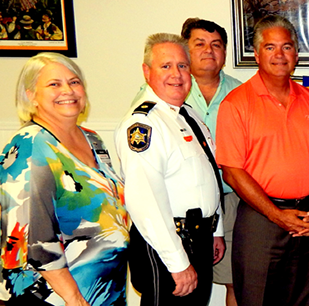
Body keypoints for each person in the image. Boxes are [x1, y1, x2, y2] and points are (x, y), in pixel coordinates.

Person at [0, 52, 129, 305]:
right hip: (55, 296)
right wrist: (74, 298)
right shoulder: (31, 146)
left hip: (103, 289)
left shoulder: (91, 138)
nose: (68, 90)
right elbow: (34, 239)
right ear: (30, 95)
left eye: (74, 82)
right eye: (54, 84)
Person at [216, 15, 309, 306]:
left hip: (305, 219)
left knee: (299, 300)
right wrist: (276, 215)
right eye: (270, 48)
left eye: (287, 47)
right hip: (260, 220)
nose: (279, 55)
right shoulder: (236, 103)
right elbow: (232, 171)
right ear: (256, 54)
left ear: (296, 54)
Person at [114, 33, 224, 305]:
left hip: (199, 238)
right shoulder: (144, 125)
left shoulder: (188, 115)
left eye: (183, 66)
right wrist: (177, 263)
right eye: (166, 66)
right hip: (167, 244)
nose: (176, 74)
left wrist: (216, 230)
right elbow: (146, 202)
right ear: (146, 72)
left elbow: (207, 175)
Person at [181, 17, 243, 306]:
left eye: (216, 45)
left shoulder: (242, 93)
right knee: (180, 279)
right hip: (179, 204)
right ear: (186, 49)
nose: (209, 51)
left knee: (235, 279)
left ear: (225, 53)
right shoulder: (168, 88)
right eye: (200, 44)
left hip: (230, 199)